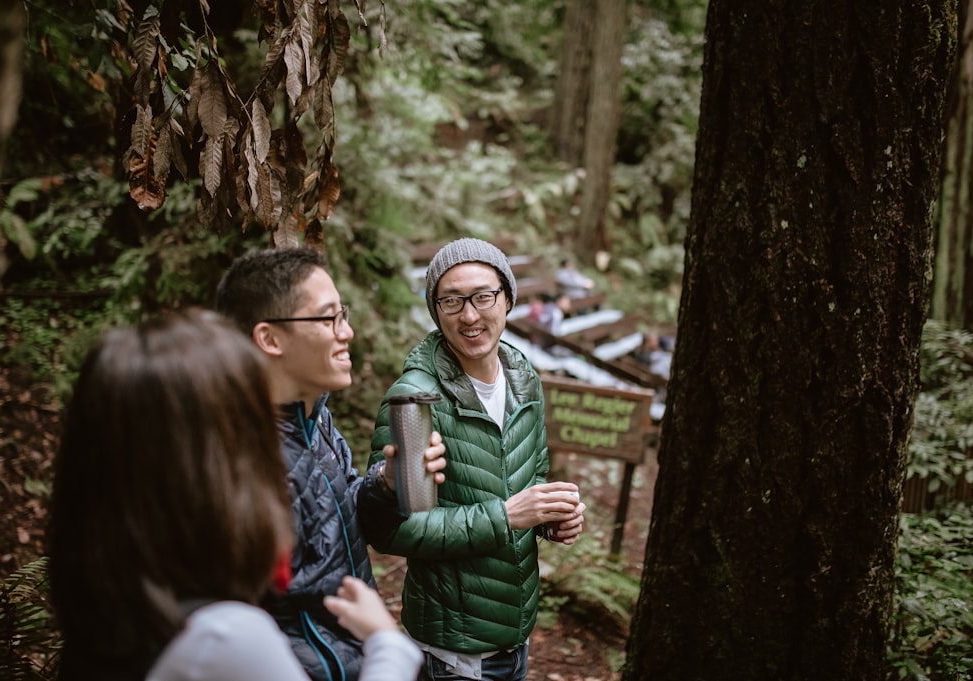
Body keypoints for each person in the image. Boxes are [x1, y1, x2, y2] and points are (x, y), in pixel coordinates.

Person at [48, 309, 422, 681]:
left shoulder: (114, 607)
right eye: (253, 416)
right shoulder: (222, 638)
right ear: (209, 457)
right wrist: (387, 643)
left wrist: (385, 483)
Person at [362, 238, 587, 681]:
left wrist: (547, 518)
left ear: (507, 300)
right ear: (436, 310)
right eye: (451, 301)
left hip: (515, 632)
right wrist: (506, 516)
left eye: (483, 296)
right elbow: (390, 529)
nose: (469, 315)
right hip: (454, 649)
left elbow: (529, 479)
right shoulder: (415, 399)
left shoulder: (524, 378)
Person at [214, 247, 442, 681]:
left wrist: (388, 482)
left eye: (345, 315)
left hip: (358, 655)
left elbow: (338, 515)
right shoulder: (234, 460)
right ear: (270, 338)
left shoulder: (313, 417)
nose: (348, 332)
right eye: (328, 318)